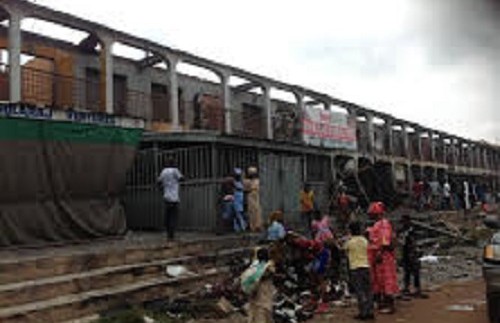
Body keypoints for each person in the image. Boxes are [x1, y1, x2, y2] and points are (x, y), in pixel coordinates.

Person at [367, 201, 399, 314]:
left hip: (383, 256)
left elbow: (385, 242)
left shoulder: (383, 224)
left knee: (386, 280)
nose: (370, 216)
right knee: (379, 280)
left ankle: (390, 305)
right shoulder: (378, 224)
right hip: (378, 256)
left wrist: (379, 254)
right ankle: (383, 302)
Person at [345, 221, 374, 321]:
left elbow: (343, 249)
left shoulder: (349, 242)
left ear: (350, 231)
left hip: (355, 268)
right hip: (366, 266)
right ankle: (370, 312)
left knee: (360, 291)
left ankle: (363, 313)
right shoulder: (364, 240)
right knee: (368, 290)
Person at [241, 247, 275, 323]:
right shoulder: (257, 268)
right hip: (260, 300)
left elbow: (268, 274)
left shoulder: (266, 267)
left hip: (262, 299)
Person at [399, 214, 427, 298]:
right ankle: (407, 288)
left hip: (412, 252)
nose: (403, 223)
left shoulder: (412, 230)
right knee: (407, 271)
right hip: (406, 252)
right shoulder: (404, 230)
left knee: (415, 272)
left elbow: (415, 242)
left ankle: (417, 288)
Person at [157, 157, 183, 240]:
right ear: (173, 163)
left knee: (167, 216)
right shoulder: (175, 170)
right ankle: (171, 236)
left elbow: (158, 182)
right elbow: (181, 178)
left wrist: (162, 188)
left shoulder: (163, 171)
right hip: (174, 197)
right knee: (173, 217)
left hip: (166, 197)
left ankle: (168, 234)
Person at [245, 166, 263, 232]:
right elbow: (246, 188)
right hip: (251, 195)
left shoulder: (257, 180)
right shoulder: (247, 181)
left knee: (257, 210)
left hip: (256, 195)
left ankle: (258, 225)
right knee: (251, 211)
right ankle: (252, 226)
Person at [233, 168, 247, 232]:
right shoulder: (236, 182)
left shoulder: (240, 182)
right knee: (237, 213)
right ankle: (239, 227)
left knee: (239, 213)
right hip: (237, 198)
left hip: (239, 198)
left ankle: (241, 227)